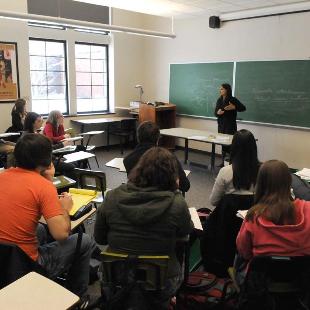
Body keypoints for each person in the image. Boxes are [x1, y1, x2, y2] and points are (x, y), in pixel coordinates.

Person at [95, 147, 193, 307]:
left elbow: (99, 238)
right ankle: (169, 300)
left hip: (116, 277)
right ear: (173, 176)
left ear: (139, 169)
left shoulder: (112, 197)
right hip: (162, 282)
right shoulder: (177, 203)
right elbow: (185, 234)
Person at [0, 134, 95, 300]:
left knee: (41, 229)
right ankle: (78, 297)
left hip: (4, 258)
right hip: (25, 265)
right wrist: (65, 208)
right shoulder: (43, 186)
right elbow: (61, 234)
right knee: (84, 240)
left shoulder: (3, 175)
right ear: (46, 159)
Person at [237, 159, 310, 261]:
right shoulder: (307, 209)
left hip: (261, 275)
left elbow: (244, 251)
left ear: (260, 184)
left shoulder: (253, 217)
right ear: (289, 182)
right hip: (303, 275)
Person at [123, 121, 190, 193]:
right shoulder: (168, 158)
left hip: (137, 200)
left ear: (138, 137)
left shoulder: (128, 159)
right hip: (163, 200)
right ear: (157, 139)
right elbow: (185, 185)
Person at [210, 129, 259, 207]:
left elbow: (214, 201)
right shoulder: (262, 171)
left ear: (233, 147)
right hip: (252, 216)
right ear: (254, 148)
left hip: (228, 217)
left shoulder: (225, 171)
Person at [23, 112, 76, 180]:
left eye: (41, 120)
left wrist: (55, 158)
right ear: (32, 123)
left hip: (44, 159)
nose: (41, 122)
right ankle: (68, 187)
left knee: (71, 163)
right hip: (39, 163)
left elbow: (46, 149)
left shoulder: (35, 133)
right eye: (39, 121)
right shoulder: (29, 137)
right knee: (71, 166)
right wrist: (62, 145)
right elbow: (46, 149)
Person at [214, 83, 246, 166]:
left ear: (227, 90)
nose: (220, 90)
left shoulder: (232, 99)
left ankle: (230, 162)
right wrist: (218, 113)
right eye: (220, 89)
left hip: (230, 125)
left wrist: (234, 107)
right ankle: (223, 162)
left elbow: (243, 108)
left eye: (222, 89)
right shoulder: (219, 100)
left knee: (229, 143)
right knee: (222, 143)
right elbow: (216, 112)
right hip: (221, 125)